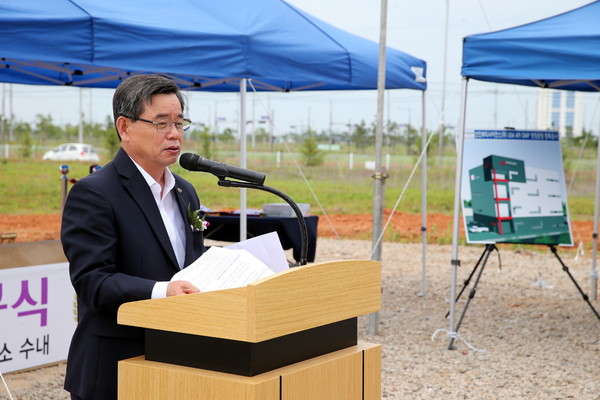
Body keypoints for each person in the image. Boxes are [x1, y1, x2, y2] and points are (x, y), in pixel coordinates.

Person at [61, 74, 206, 400]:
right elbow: (93, 282)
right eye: (161, 123)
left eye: (180, 123)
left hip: (179, 359)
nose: (174, 134)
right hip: (116, 367)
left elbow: (187, 260)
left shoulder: (185, 191)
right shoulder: (95, 194)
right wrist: (162, 291)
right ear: (124, 127)